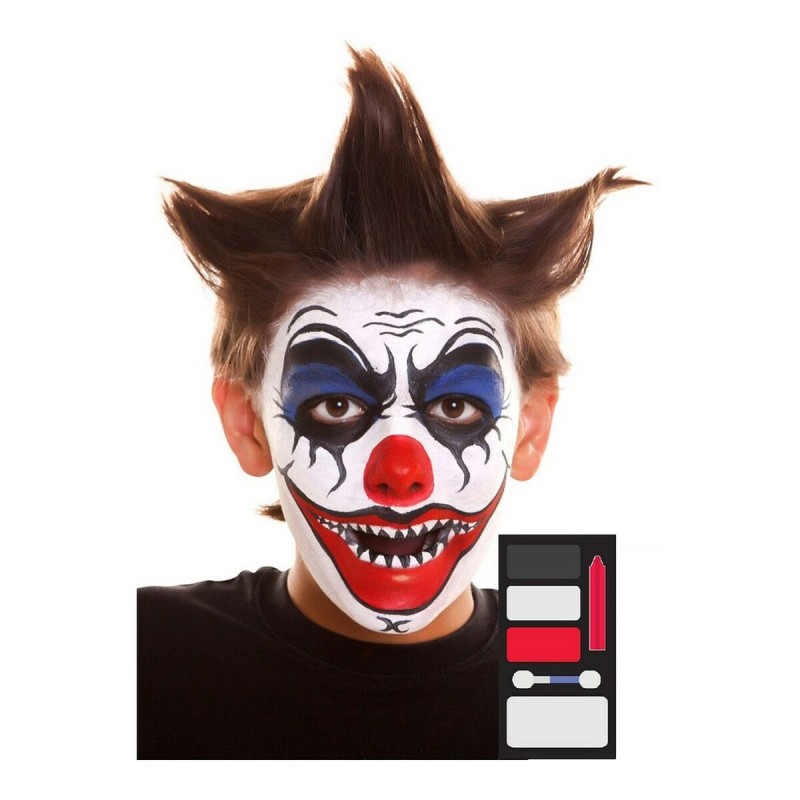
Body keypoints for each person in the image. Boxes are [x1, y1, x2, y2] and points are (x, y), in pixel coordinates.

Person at [137, 48, 639, 759]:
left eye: (457, 409)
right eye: (337, 407)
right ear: (247, 424)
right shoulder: (146, 655)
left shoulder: (579, 673)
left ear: (530, 429)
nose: (401, 473)